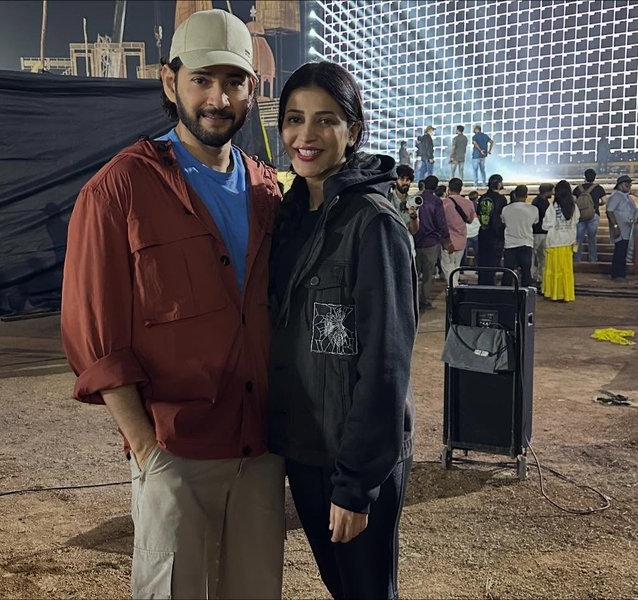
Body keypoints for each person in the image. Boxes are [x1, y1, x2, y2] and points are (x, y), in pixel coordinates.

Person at [60, 10, 285, 599]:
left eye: (233, 83)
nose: (218, 99)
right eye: (201, 80)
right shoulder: (120, 190)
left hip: (262, 448)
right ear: (169, 81)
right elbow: (96, 334)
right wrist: (146, 449)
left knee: (256, 589)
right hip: (175, 450)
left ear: (251, 89)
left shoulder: (266, 190)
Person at [269, 61, 417, 600]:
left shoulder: (373, 224)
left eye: (325, 120)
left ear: (353, 131)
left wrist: (356, 485)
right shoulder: (290, 217)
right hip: (305, 449)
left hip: (352, 458)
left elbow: (385, 366)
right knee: (342, 587)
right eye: (294, 119)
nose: (305, 135)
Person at [414, 175, 454, 310]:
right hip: (431, 242)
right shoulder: (436, 201)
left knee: (414, 274)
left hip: (415, 241)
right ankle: (424, 301)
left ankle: (411, 300)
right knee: (428, 274)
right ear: (436, 187)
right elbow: (441, 222)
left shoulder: (415, 199)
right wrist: (446, 239)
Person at [541, 180, 579, 301]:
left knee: (553, 269)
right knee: (566, 269)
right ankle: (566, 294)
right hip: (568, 242)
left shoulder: (552, 207)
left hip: (554, 242)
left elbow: (545, 225)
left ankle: (553, 293)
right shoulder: (573, 207)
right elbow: (576, 220)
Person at [440, 178, 476, 286]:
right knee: (456, 265)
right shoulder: (468, 203)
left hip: (447, 240)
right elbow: (470, 220)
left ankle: (453, 287)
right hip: (461, 239)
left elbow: (439, 221)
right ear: (461, 189)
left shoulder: (443, 203)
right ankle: (455, 287)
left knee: (447, 265)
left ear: (449, 188)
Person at [500, 185, 538, 287]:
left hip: (510, 244)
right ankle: (525, 292)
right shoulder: (533, 209)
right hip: (526, 243)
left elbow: (503, 221)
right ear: (526, 195)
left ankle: (506, 292)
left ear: (515, 195)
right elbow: (535, 222)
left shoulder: (506, 209)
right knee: (526, 272)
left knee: (508, 271)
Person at [476, 174, 507, 285]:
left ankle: (482, 284)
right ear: (498, 184)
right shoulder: (501, 199)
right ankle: (490, 285)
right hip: (496, 235)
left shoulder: (482, 198)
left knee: (483, 261)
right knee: (493, 262)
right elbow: (502, 217)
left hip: (484, 232)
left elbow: (479, 213)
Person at [606, 175, 637, 281]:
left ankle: (621, 273)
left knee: (623, 251)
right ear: (620, 185)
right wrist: (615, 226)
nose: (629, 186)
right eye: (626, 184)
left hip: (627, 229)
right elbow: (609, 211)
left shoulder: (627, 197)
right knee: (620, 251)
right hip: (621, 229)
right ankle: (617, 274)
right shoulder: (616, 196)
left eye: (630, 184)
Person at [573, 169, 606, 263]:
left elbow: (573, 201)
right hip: (594, 215)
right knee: (592, 238)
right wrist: (596, 205)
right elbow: (604, 201)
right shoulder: (599, 188)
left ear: (585, 177)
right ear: (594, 177)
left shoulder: (578, 188)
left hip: (580, 216)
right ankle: (593, 259)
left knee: (578, 239)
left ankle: (576, 259)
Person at [531, 183, 554, 284]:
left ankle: (539, 276)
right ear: (547, 191)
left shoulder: (538, 201)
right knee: (538, 256)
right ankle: (535, 276)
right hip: (539, 232)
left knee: (541, 256)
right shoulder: (540, 202)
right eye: (551, 191)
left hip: (540, 231)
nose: (552, 193)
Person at [388, 164, 420, 236]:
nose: (405, 182)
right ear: (395, 180)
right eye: (402, 179)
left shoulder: (413, 201)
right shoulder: (388, 199)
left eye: (408, 179)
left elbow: (414, 231)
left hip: (407, 240)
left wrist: (413, 217)